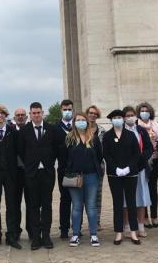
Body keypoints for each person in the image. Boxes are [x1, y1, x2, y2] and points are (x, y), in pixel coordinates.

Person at [17, 102, 63, 250]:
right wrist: (31, 164)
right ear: (30, 114)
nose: (36, 115)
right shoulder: (24, 131)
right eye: (33, 113)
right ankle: (36, 237)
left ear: (42, 113)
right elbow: (21, 151)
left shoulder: (52, 129)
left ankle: (46, 235)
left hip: (47, 173)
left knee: (47, 205)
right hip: (31, 174)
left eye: (38, 112)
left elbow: (57, 149)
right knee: (33, 206)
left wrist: (48, 161)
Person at [102, 109, 142, 245]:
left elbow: (136, 153)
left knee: (131, 202)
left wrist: (128, 167)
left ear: (123, 119)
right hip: (114, 174)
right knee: (117, 203)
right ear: (111, 120)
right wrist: (116, 168)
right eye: (115, 118)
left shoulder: (130, 135)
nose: (117, 119)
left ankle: (133, 232)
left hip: (130, 173)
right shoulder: (107, 136)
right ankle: (118, 232)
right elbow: (106, 155)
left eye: (119, 117)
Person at [64, 113, 103, 247]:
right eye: (78, 120)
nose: (81, 122)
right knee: (76, 206)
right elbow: (65, 157)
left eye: (83, 120)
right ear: (74, 122)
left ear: (87, 122)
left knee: (91, 206)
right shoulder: (69, 138)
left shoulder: (94, 139)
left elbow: (99, 156)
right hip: (75, 176)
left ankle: (93, 234)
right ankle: (75, 234)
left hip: (91, 176)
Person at [0, 105, 21, 249]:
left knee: (11, 205)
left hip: (10, 173)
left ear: (6, 116)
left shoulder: (13, 131)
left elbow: (18, 150)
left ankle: (11, 236)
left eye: (2, 114)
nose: (0, 116)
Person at [122, 106, 153, 238]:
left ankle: (140, 226)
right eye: (127, 115)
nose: (130, 117)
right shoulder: (120, 131)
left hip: (140, 168)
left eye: (132, 115)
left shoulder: (141, 130)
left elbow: (148, 148)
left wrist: (141, 158)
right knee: (126, 200)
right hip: (126, 170)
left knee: (141, 198)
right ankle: (127, 226)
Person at [137, 102, 158, 229]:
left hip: (154, 160)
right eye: (142, 110)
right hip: (142, 162)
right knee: (142, 189)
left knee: (153, 190)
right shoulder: (136, 125)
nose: (144, 112)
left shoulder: (155, 124)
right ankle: (145, 217)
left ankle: (154, 216)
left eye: (146, 110)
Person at [55, 99, 75, 239]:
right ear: (61, 110)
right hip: (63, 169)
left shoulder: (80, 125)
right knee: (65, 199)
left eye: (69, 109)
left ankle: (77, 227)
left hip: (78, 169)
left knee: (78, 200)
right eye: (64, 109)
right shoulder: (55, 128)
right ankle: (64, 228)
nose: (67, 111)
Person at [86, 105, 105, 230]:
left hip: (98, 167)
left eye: (95, 113)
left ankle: (96, 221)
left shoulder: (102, 130)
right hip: (84, 166)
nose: (93, 115)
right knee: (82, 196)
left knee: (97, 195)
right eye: (90, 113)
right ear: (87, 114)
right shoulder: (80, 128)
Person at [12, 107, 29, 239]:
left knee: (31, 203)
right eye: (18, 115)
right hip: (15, 173)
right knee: (15, 204)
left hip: (29, 172)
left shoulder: (31, 130)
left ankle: (31, 230)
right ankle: (15, 231)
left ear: (26, 117)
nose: (20, 117)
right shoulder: (10, 131)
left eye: (23, 115)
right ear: (14, 117)